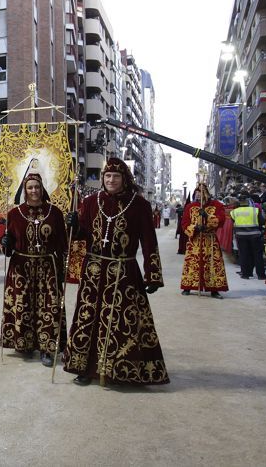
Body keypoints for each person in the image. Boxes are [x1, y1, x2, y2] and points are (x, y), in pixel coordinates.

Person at [64, 158, 168, 386]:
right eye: (107, 176)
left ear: (125, 179)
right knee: (88, 319)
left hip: (124, 271)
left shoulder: (140, 205)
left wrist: (153, 273)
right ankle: (85, 368)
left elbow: (149, 241)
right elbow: (82, 234)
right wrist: (73, 225)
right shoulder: (91, 201)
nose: (111, 180)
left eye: (116, 176)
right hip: (93, 270)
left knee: (123, 321)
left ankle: (122, 370)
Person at [0, 165, 67, 366]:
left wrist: (63, 271)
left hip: (48, 266)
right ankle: (25, 344)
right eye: (30, 188)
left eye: (37, 187)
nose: (34, 191)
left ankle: (48, 348)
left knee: (49, 307)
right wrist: (4, 243)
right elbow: (9, 246)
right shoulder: (14, 214)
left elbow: (63, 244)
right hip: (21, 267)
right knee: (23, 306)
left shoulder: (54, 212)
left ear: (42, 188)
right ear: (24, 189)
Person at [180, 183, 229, 298]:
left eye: (201, 193)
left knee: (212, 264)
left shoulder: (216, 205)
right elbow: (185, 223)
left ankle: (214, 289)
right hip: (195, 240)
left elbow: (221, 220)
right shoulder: (190, 207)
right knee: (192, 263)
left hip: (210, 239)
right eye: (197, 193)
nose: (198, 195)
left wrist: (207, 216)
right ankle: (188, 286)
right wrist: (195, 228)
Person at [230, 196, 266, 281]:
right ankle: (261, 275)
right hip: (255, 235)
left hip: (241, 235)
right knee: (258, 255)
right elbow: (262, 221)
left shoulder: (234, 212)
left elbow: (233, 222)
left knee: (244, 254)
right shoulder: (255, 210)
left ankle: (246, 274)